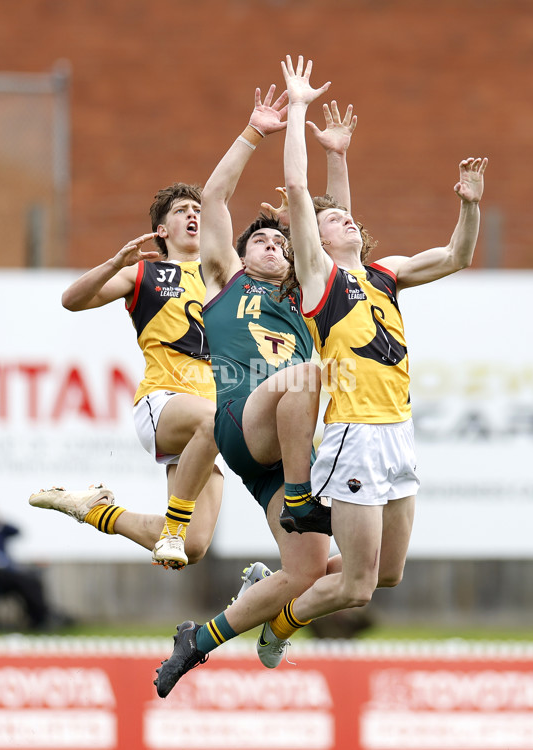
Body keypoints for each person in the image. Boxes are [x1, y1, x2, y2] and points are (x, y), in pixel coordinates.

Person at [252, 55, 488, 652]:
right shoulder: (319, 279)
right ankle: (278, 624)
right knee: (356, 588)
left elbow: (457, 257)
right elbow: (304, 195)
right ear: (318, 239)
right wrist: (300, 107)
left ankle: (279, 594)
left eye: (351, 217)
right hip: (354, 433)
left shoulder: (386, 274)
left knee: (386, 574)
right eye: (336, 220)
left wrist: (470, 204)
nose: (348, 220)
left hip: (398, 430)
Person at [153, 84, 357, 698]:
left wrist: (337, 157)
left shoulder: (304, 295)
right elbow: (214, 197)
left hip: (288, 448)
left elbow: (338, 236)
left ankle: (203, 639)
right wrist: (254, 131)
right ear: (240, 253)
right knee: (308, 376)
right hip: (246, 421)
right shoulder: (226, 281)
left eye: (280, 241)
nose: (272, 244)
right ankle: (300, 495)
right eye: (261, 240)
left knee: (317, 573)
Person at [29, 184, 223, 570]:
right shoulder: (145, 273)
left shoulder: (224, 275)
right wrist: (115, 263)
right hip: (165, 402)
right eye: (182, 210)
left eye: (198, 209)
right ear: (162, 231)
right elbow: (71, 300)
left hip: (207, 424)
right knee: (214, 421)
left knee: (195, 546)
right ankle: (172, 528)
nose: (193, 215)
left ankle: (96, 510)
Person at [0, 503, 71, 630]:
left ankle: (39, 617)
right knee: (24, 580)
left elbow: (16, 531)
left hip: (7, 576)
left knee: (32, 580)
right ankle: (43, 617)